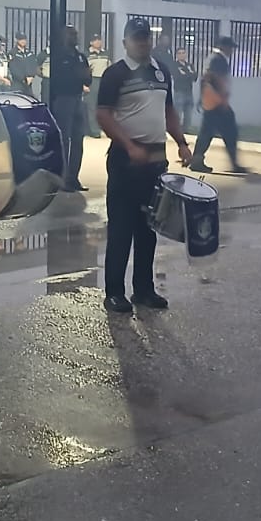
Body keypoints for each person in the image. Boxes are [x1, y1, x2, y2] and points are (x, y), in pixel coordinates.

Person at [97, 19, 192, 312]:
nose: (143, 43)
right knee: (121, 228)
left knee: (148, 228)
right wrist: (129, 146)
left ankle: (144, 290)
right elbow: (103, 115)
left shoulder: (161, 70)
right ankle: (114, 292)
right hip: (125, 161)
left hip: (154, 161)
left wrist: (181, 142)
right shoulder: (115, 74)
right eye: (137, 38)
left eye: (146, 38)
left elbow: (168, 110)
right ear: (125, 42)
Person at [189, 36, 247, 173]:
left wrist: (203, 98)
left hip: (212, 102)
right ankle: (233, 163)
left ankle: (197, 160)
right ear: (224, 47)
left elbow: (205, 79)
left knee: (208, 132)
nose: (232, 50)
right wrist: (222, 97)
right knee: (229, 132)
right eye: (231, 47)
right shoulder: (218, 59)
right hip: (217, 103)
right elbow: (214, 78)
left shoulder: (212, 58)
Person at [51, 26, 93, 193]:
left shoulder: (81, 57)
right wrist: (78, 75)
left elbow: (88, 80)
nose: (75, 37)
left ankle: (73, 178)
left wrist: (84, 76)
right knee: (64, 140)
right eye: (71, 34)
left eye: (75, 34)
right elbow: (58, 80)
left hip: (77, 98)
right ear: (64, 36)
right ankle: (62, 178)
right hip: (63, 99)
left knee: (78, 139)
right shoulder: (59, 57)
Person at [86, 34, 112, 138]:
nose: (98, 42)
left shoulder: (106, 53)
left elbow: (110, 67)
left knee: (103, 105)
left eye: (99, 40)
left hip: (104, 80)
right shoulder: (87, 54)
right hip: (92, 80)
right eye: (95, 40)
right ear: (91, 42)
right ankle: (94, 130)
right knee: (92, 106)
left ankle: (103, 128)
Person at [173, 46, 198, 133]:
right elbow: (178, 77)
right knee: (178, 114)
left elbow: (195, 77)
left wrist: (186, 74)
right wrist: (189, 74)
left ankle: (186, 131)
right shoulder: (174, 65)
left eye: (183, 53)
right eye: (179, 53)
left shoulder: (190, 65)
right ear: (176, 55)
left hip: (189, 92)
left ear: (186, 54)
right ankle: (176, 131)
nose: (182, 55)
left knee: (188, 114)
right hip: (179, 92)